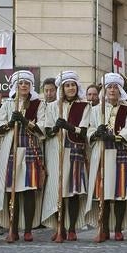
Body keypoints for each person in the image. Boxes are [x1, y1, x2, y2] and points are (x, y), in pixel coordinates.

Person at [0, 71, 46, 242]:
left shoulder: (38, 104)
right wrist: (9, 124)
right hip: (12, 151)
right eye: (20, 83)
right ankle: (13, 229)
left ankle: (28, 230)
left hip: (30, 149)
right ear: (15, 85)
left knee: (29, 190)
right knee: (11, 190)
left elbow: (42, 127)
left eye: (26, 83)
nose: (23, 85)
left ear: (31, 85)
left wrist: (25, 121)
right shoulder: (8, 104)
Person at [41, 71, 90, 242]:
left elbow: (84, 130)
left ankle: (71, 228)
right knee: (58, 190)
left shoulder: (84, 106)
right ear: (62, 88)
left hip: (75, 150)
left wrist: (69, 126)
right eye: (67, 85)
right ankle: (59, 226)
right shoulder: (53, 106)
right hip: (57, 151)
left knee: (73, 191)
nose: (70, 88)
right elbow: (46, 130)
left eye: (73, 85)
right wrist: (55, 128)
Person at [86, 73, 127, 242]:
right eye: (109, 87)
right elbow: (89, 128)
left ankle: (118, 228)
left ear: (120, 90)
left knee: (119, 193)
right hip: (101, 152)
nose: (112, 90)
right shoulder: (95, 109)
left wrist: (116, 137)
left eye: (115, 87)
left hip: (119, 151)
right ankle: (103, 228)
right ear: (104, 90)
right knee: (103, 193)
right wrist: (96, 133)